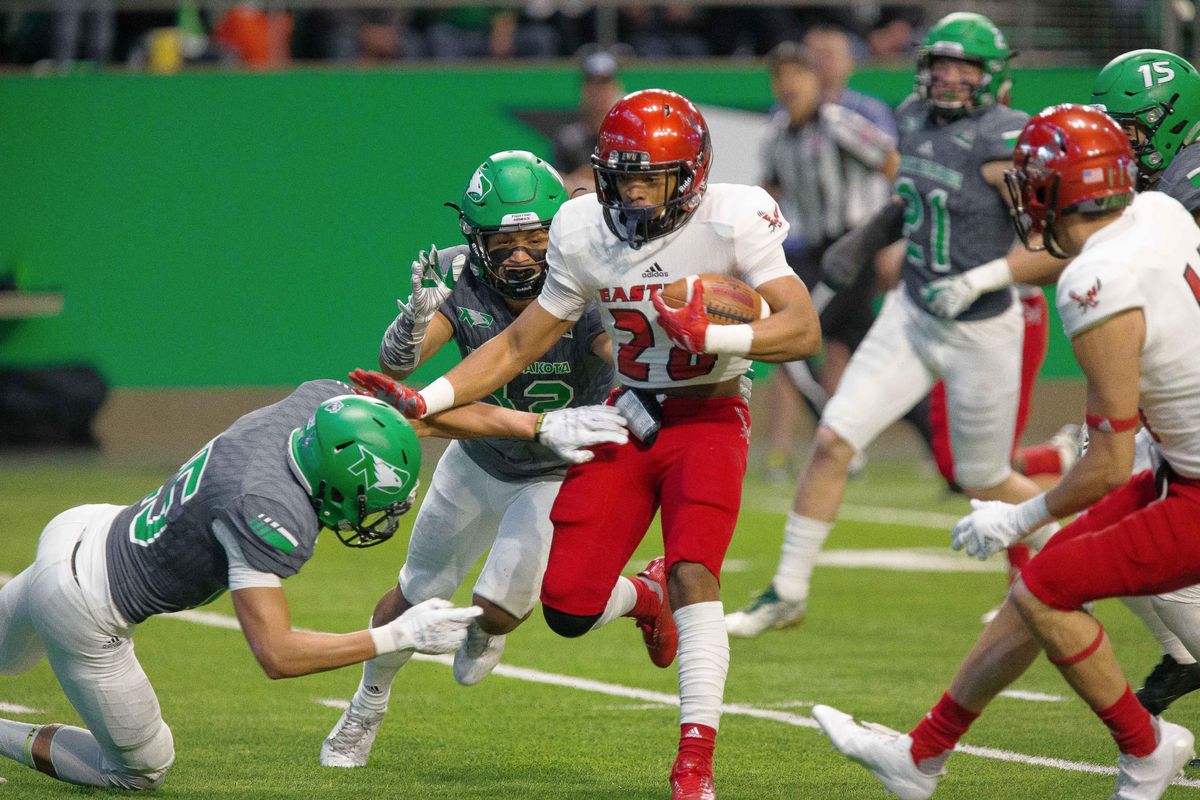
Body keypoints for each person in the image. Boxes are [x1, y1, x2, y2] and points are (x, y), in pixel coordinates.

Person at [389, 89, 821, 799]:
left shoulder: (735, 216)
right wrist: (423, 399)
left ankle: (694, 764)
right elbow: (516, 346)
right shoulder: (584, 226)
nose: (630, 194)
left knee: (695, 572)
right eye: (619, 178)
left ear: (689, 177)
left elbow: (802, 329)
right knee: (566, 607)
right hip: (629, 411)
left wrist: (714, 335)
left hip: (710, 413)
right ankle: (643, 599)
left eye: (648, 178)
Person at [814, 102, 1200, 800]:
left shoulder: (1096, 285)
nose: (1021, 196)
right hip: (1179, 464)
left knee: (1047, 590)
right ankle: (920, 758)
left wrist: (1014, 519)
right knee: (1038, 590)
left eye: (1031, 181)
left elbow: (1108, 464)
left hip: (1192, 484)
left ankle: (1145, 750)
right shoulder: (1163, 215)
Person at [726, 11, 1064, 638]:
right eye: (941, 64)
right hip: (913, 311)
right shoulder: (910, 116)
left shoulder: (1007, 138)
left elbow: (1051, 247)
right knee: (833, 440)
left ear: (993, 76)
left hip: (982, 328)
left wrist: (982, 277)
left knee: (985, 478)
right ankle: (787, 591)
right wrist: (869, 236)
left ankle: (1071, 564)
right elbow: (910, 199)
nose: (951, 78)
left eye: (966, 67)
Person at [0, 386, 481, 790]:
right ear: (334, 485)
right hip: (84, 607)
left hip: (85, 528)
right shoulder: (266, 509)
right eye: (368, 502)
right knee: (142, 770)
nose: (374, 514)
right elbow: (277, 654)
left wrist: (529, 428)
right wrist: (401, 635)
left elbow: (381, 414)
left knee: (9, 655)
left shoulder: (318, 403)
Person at [319, 150, 622, 768]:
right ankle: (367, 705)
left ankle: (485, 628)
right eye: (500, 241)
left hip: (555, 472)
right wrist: (413, 319)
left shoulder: (590, 282)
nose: (518, 255)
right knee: (416, 593)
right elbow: (401, 370)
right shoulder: (459, 274)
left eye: (534, 238)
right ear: (474, 240)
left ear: (558, 229)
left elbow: (620, 356)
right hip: (478, 456)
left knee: (501, 610)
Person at [1091, 48, 1200, 715]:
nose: (1124, 139)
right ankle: (1185, 654)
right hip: (1174, 388)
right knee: (1111, 529)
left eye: (1136, 125)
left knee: (1149, 547)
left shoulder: (1187, 187)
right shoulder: (1161, 187)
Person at [756, 39, 911, 484]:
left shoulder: (840, 122)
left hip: (854, 248)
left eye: (794, 75)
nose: (786, 85)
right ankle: (939, 447)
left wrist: (889, 237)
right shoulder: (777, 133)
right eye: (778, 76)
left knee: (791, 341)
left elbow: (893, 164)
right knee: (871, 349)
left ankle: (841, 441)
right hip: (815, 252)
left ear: (813, 80)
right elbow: (768, 194)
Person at [552, 47, 626, 196]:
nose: (598, 92)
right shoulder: (568, 138)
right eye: (593, 83)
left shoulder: (626, 137)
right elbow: (558, 185)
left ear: (616, 87)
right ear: (584, 89)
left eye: (604, 83)